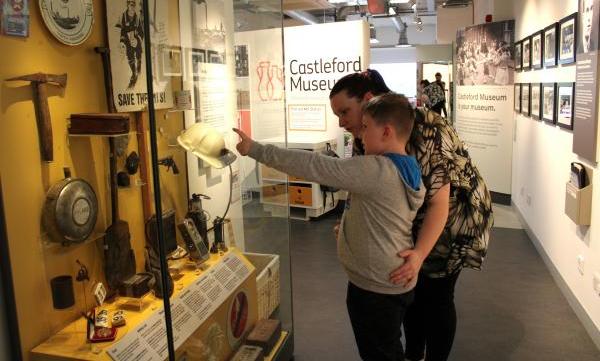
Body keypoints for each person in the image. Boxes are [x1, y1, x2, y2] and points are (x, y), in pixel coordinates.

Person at [234, 93, 426, 361]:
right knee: (386, 346)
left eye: (366, 128)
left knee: (381, 354)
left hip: (375, 289)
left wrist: (255, 150)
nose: (360, 136)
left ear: (386, 132)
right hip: (391, 282)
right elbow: (378, 216)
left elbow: (313, 165)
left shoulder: (375, 170)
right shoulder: (408, 168)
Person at [330, 69, 493, 361]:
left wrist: (419, 253)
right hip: (408, 221)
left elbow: (439, 205)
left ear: (368, 100)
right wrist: (348, 222)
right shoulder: (366, 132)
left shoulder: (430, 129)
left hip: (452, 223)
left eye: (345, 112)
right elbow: (364, 185)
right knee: (411, 294)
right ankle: (413, 354)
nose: (341, 122)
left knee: (438, 298)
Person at [116, 0, 144, 89]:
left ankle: (139, 65)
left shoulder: (137, 18)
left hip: (136, 40)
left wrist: (137, 40)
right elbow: (122, 31)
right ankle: (134, 73)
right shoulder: (123, 17)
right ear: (127, 5)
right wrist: (122, 41)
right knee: (130, 55)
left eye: (134, 5)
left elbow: (141, 32)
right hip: (128, 40)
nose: (132, 6)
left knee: (138, 53)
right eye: (131, 4)